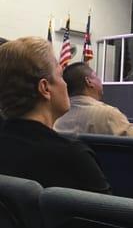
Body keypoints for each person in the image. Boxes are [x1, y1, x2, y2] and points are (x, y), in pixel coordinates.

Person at [0, 37, 111, 193]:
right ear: (45, 88)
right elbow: (107, 216)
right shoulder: (74, 157)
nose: (66, 84)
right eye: (60, 76)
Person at [54, 62, 133, 137]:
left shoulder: (55, 118)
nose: (100, 80)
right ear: (89, 82)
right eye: (96, 75)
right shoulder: (109, 115)